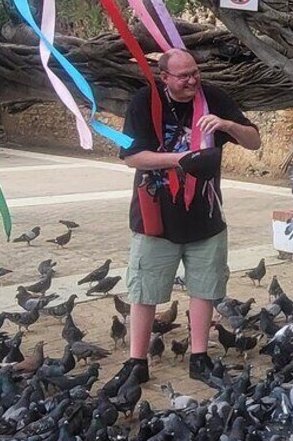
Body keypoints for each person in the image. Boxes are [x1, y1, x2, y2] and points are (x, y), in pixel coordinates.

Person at [106, 48, 261, 390]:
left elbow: (254, 141)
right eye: (183, 75)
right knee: (145, 291)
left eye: (195, 72)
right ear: (165, 78)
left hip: (205, 216)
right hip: (155, 217)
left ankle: (200, 358)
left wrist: (227, 125)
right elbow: (132, 157)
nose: (192, 80)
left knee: (204, 289)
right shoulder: (144, 102)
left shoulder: (213, 98)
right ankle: (137, 361)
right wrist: (182, 158)